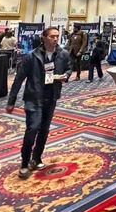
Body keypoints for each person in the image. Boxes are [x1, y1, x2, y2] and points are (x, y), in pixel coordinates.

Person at [6, 27, 71, 179]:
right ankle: (24, 161)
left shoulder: (63, 54)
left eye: (57, 36)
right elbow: (19, 79)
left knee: (44, 129)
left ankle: (37, 157)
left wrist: (65, 76)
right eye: (52, 36)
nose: (55, 39)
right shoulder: (31, 56)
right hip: (34, 97)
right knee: (33, 128)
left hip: (51, 96)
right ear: (44, 37)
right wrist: (11, 101)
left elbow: (69, 69)